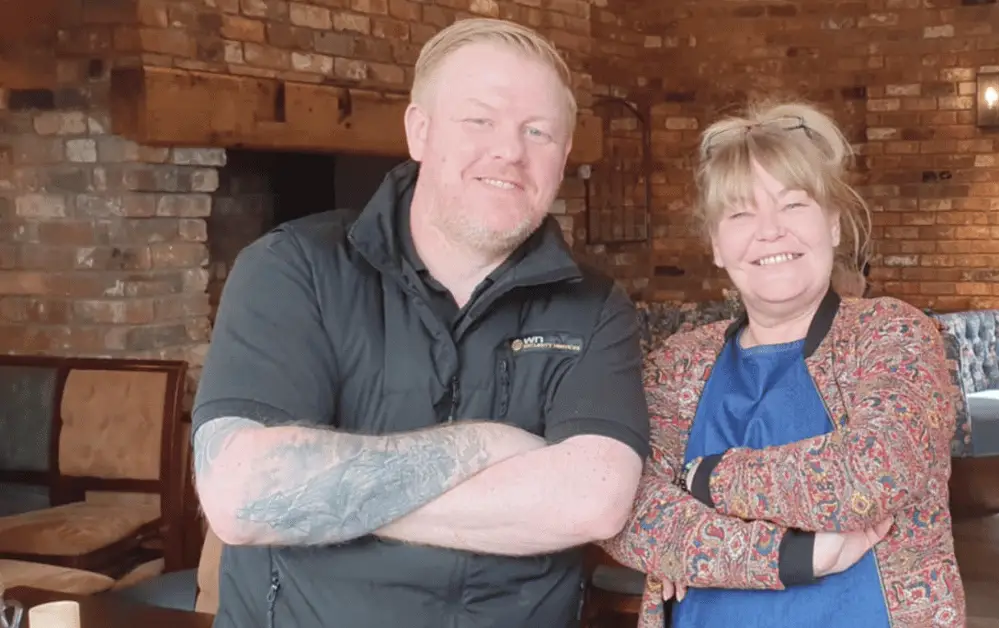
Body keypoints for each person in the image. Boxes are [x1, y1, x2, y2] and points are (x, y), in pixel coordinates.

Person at [189, 18, 653, 628]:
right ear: (420, 131)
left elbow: (595, 500)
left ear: (563, 157)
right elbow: (242, 493)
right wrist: (488, 445)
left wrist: (323, 498)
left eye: (537, 131)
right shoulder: (291, 268)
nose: (510, 151)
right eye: (479, 120)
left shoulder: (594, 306)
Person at [598, 100, 967, 627]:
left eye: (794, 204)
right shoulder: (679, 363)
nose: (770, 231)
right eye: (741, 212)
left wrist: (702, 481)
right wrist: (794, 557)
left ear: (834, 225)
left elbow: (872, 476)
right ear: (717, 245)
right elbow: (623, 509)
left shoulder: (893, 333)